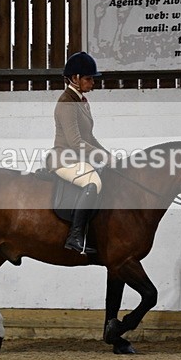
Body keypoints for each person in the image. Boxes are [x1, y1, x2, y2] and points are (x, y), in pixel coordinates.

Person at [46, 52, 111, 254]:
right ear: (75, 78)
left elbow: (89, 137)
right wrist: (100, 156)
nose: (93, 82)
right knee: (92, 182)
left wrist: (107, 154)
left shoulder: (82, 101)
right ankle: (75, 237)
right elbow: (75, 142)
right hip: (64, 159)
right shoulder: (66, 103)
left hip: (77, 157)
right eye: (89, 78)